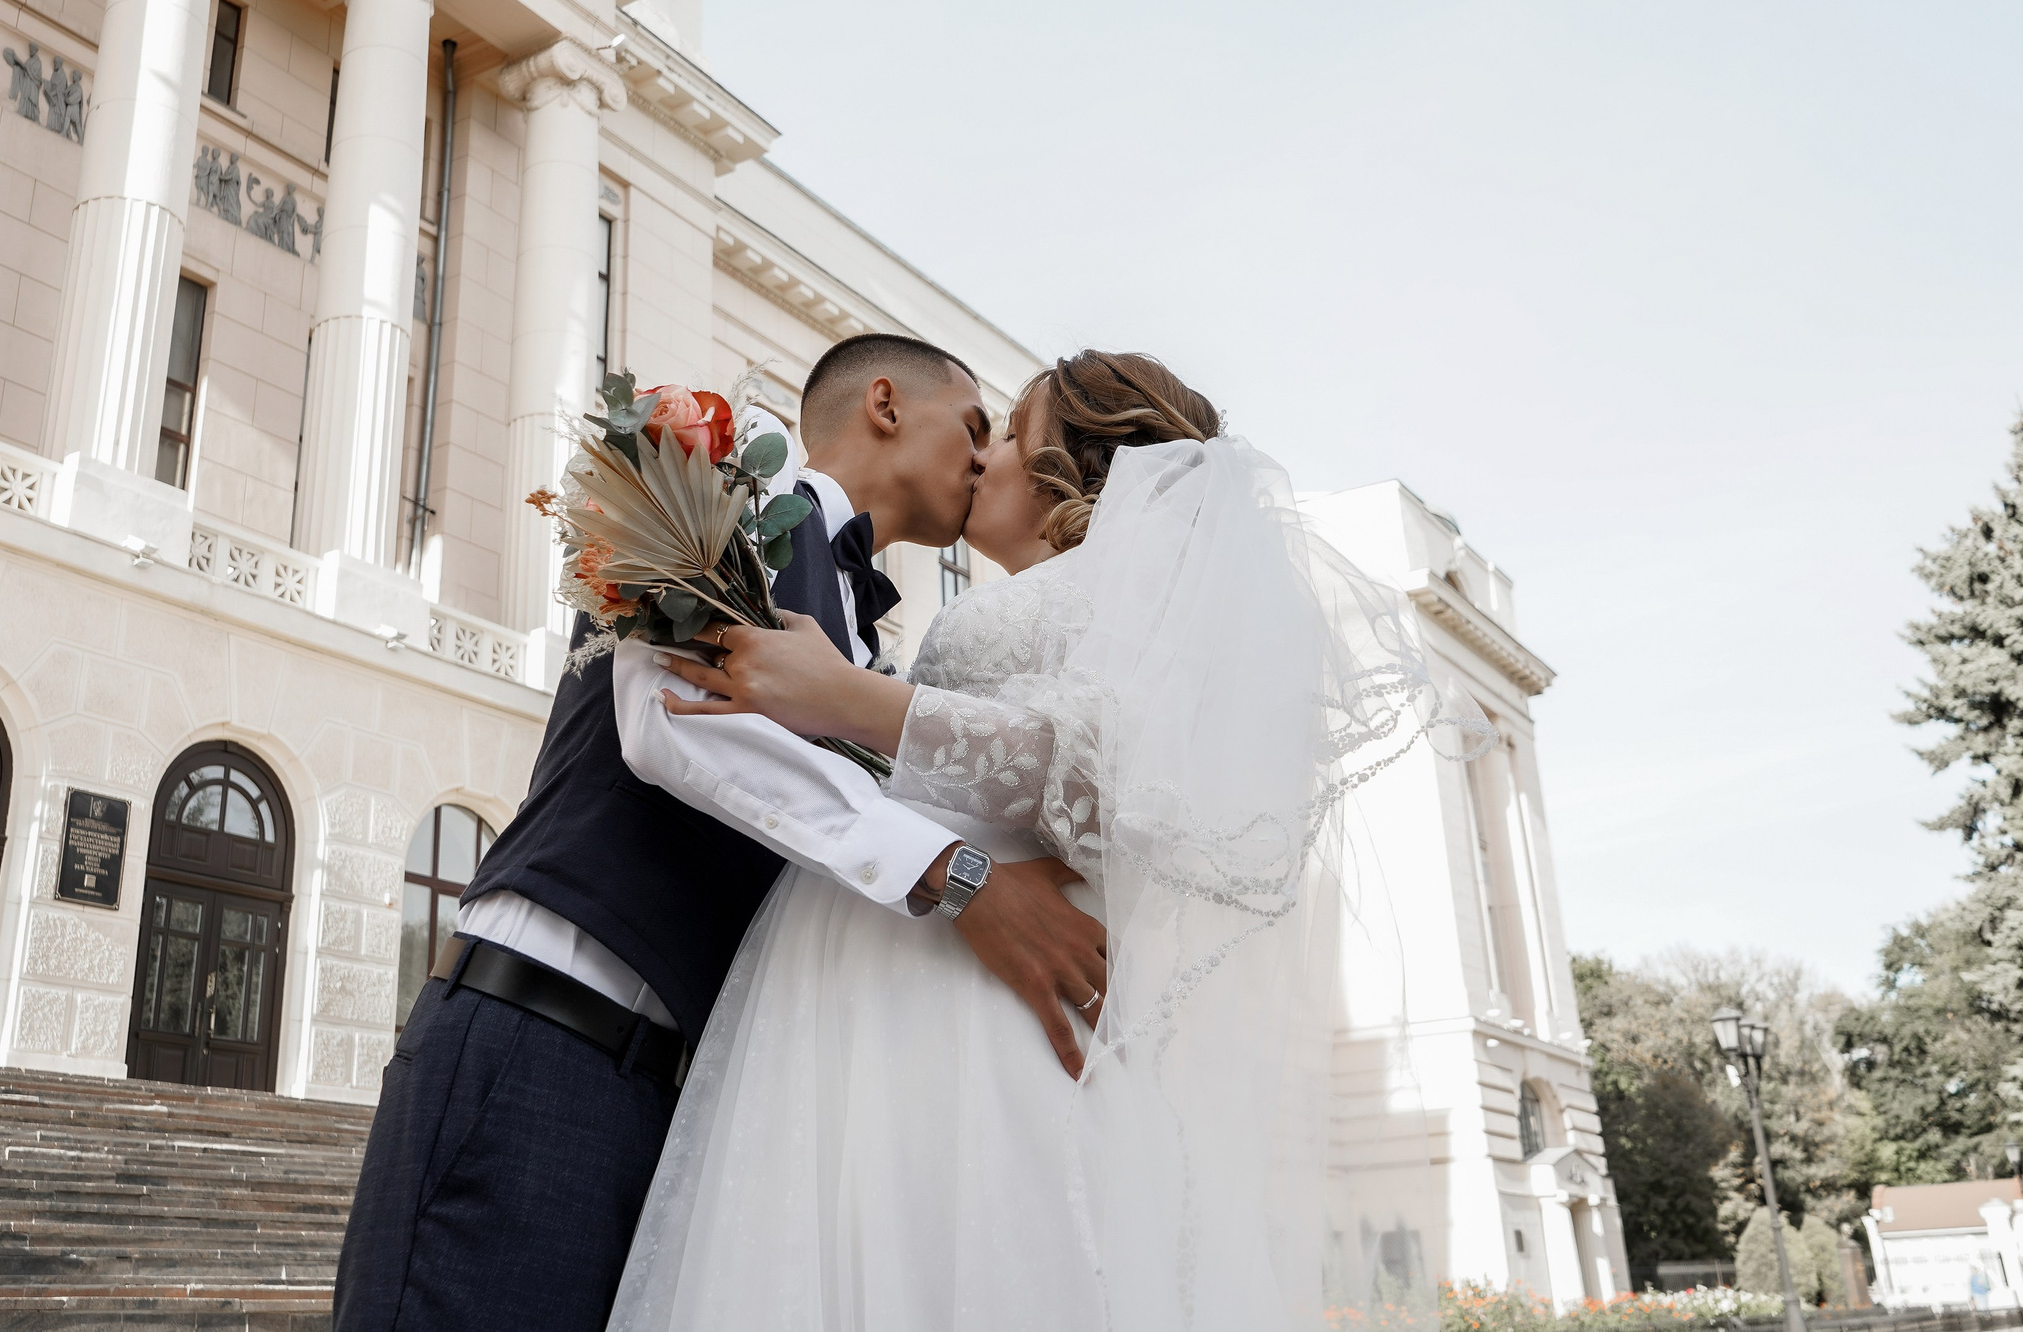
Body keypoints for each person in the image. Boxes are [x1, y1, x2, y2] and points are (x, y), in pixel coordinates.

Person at [611, 351, 1484, 1332]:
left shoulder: (1113, 603)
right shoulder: (1084, 605)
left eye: (1014, 435)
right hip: (906, 975)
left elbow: (1104, 770)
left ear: (1083, 472)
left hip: (960, 1009)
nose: (985, 459)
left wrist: (856, 700)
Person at [332, 334, 1109, 1332]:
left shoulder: (867, 654)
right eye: (969, 425)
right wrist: (957, 876)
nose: (982, 457)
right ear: (882, 401)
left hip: (670, 1096)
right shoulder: (720, 468)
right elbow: (671, 723)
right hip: (538, 1035)